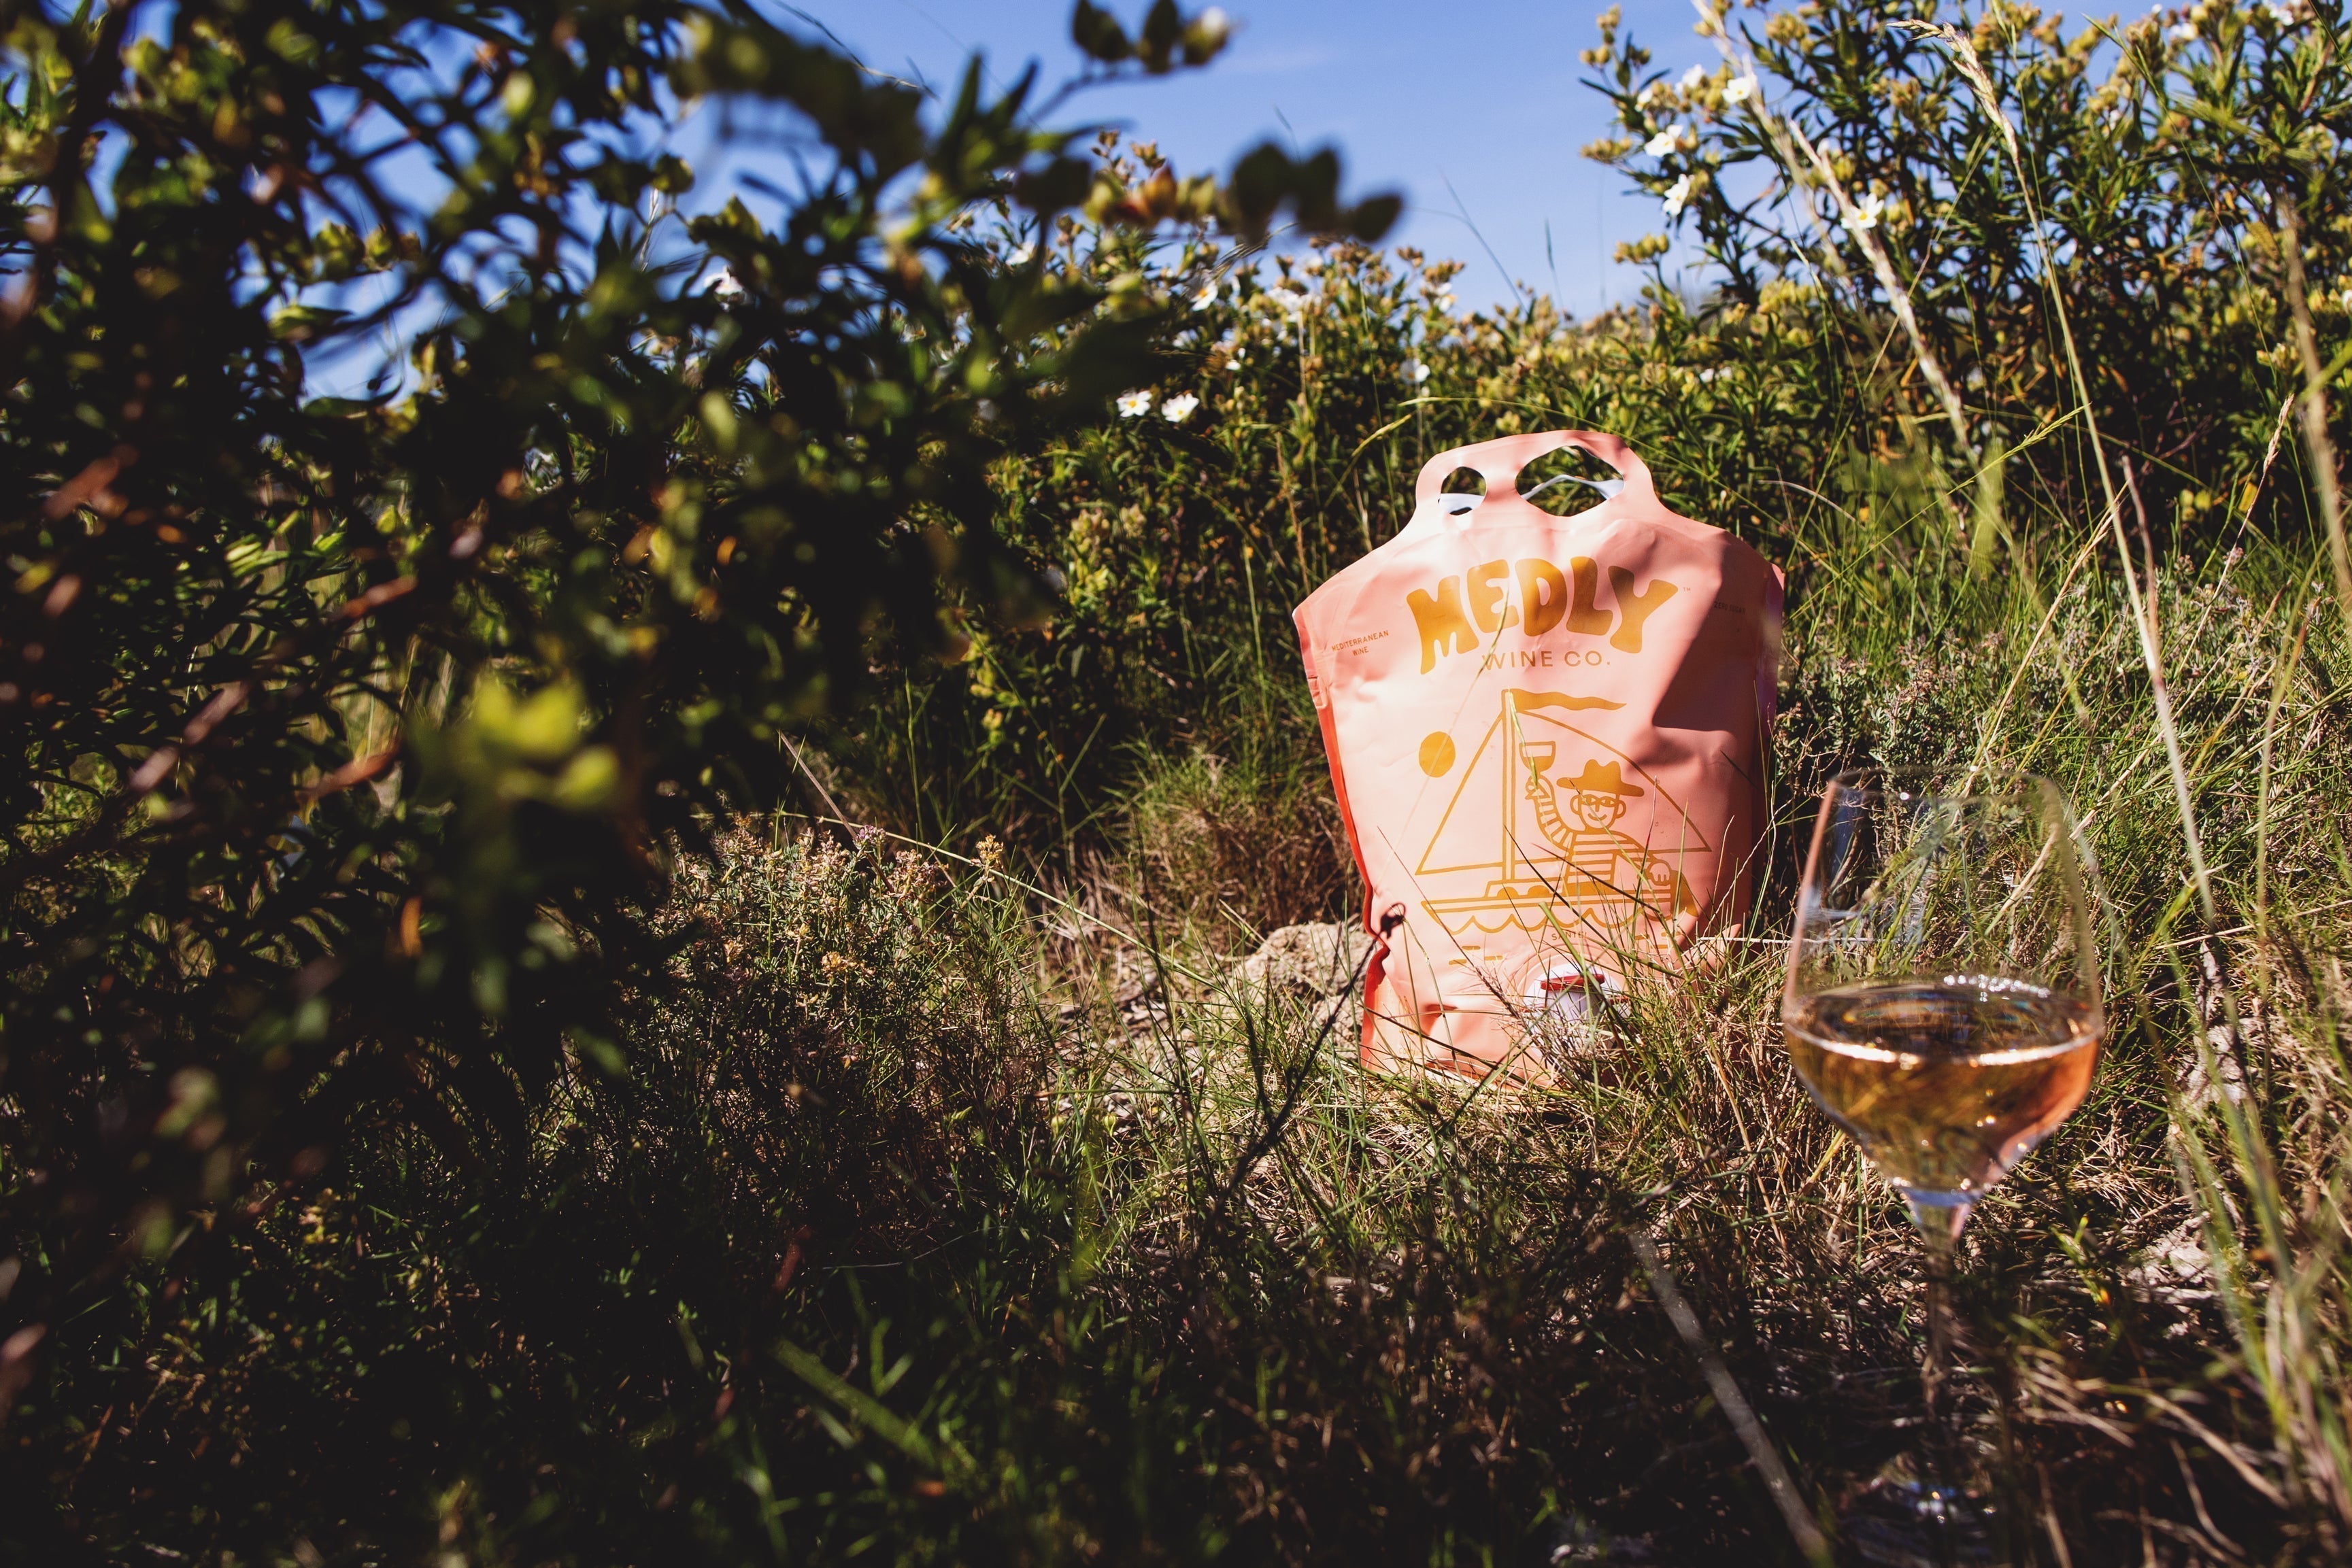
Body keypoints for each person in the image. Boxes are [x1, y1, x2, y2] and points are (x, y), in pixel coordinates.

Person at [1524, 757, 1694, 926]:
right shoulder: (1573, 838)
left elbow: (1641, 859)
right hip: (1572, 894)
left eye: (1607, 802)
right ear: (1577, 805)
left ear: (1618, 809)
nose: (1597, 808)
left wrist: (1657, 866)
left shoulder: (1616, 841)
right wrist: (1544, 799)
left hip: (1599, 895)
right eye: (1590, 801)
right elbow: (1553, 827)